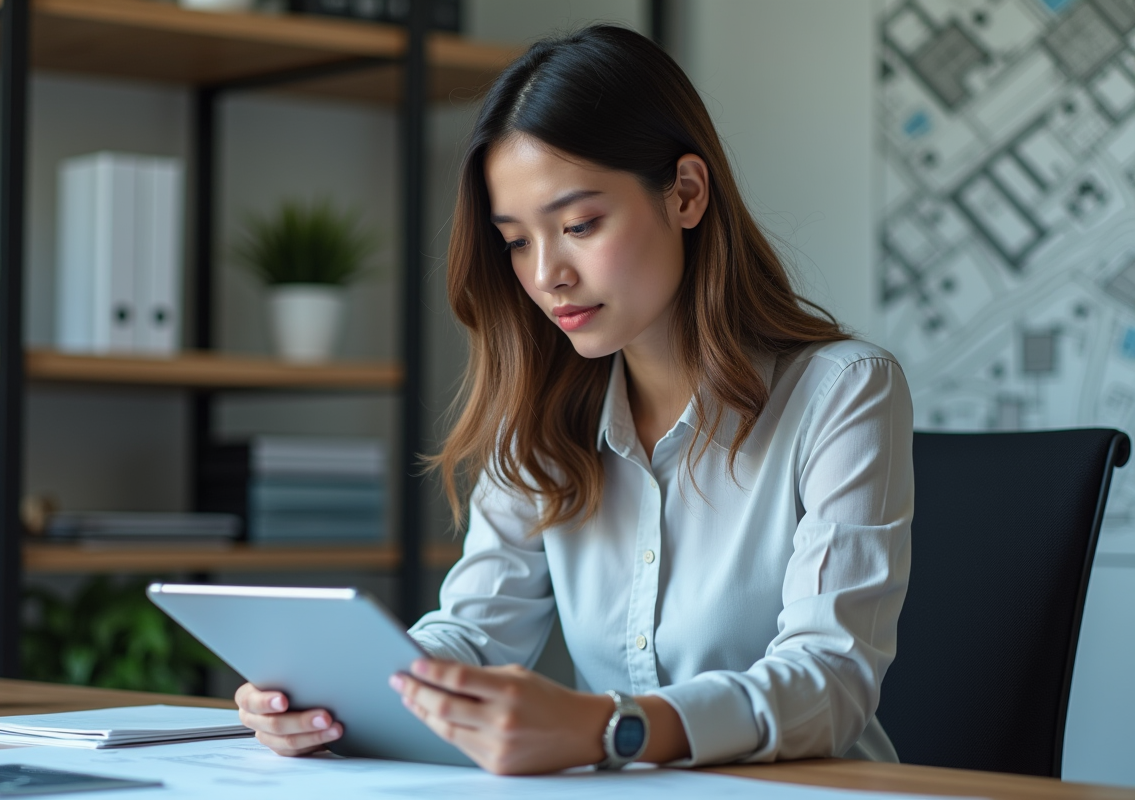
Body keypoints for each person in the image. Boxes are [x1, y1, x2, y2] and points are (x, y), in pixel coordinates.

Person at [235, 25, 913, 776]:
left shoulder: (843, 393)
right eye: (518, 241)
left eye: (580, 225)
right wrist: (336, 699)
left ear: (686, 194)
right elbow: (475, 635)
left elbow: (830, 679)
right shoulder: (540, 418)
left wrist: (614, 728)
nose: (547, 274)